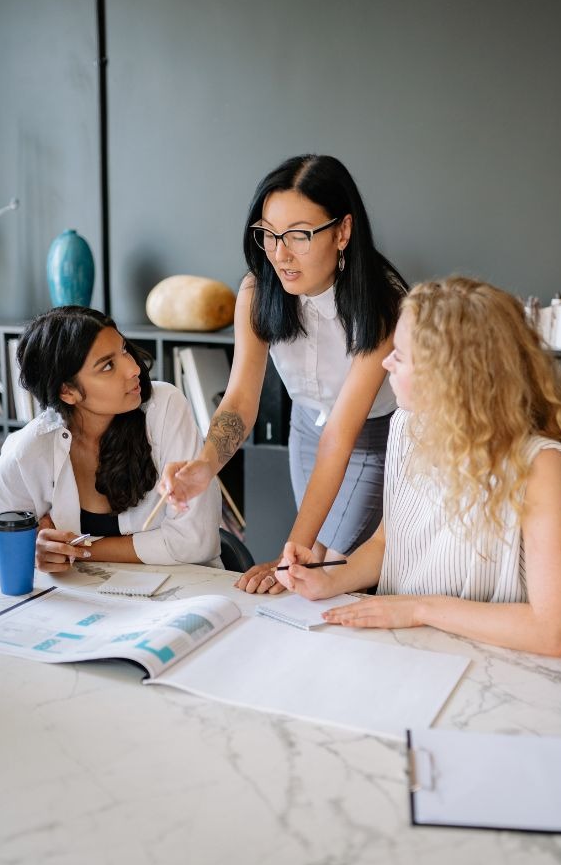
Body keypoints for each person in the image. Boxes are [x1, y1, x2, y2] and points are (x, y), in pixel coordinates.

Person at [277, 277, 561, 657]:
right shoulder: (406, 426)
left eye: (400, 356)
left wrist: (418, 609)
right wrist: (329, 580)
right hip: (406, 650)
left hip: (494, 660)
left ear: (447, 376)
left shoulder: (538, 464)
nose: (385, 362)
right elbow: (386, 544)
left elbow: (551, 633)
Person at [160, 154, 408, 595]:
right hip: (306, 429)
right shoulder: (258, 291)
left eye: (298, 235)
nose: (280, 254)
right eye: (270, 234)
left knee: (327, 568)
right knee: (310, 569)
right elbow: (240, 400)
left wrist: (290, 553)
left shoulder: (382, 302)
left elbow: (342, 434)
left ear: (343, 231)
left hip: (372, 436)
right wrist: (204, 466)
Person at [0, 306, 219, 573]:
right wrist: (33, 545)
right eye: (107, 366)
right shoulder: (36, 444)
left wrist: (77, 550)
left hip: (187, 588)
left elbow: (194, 542)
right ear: (67, 391)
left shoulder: (164, 407)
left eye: (124, 350)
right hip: (87, 594)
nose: (133, 368)